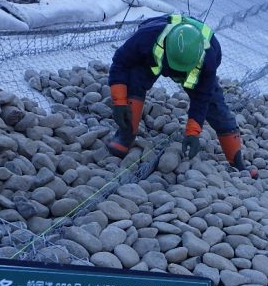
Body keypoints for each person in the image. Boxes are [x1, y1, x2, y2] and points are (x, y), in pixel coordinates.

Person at [105, 13, 257, 177]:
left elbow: (202, 98)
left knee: (215, 106)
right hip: (155, 41)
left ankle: (237, 163)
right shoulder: (146, 38)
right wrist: (119, 102)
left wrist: (193, 133)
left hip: (202, 57)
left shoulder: (209, 59)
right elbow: (120, 64)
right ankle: (126, 136)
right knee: (134, 78)